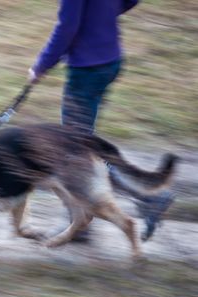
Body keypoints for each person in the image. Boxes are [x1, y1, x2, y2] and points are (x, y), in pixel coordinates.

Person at [28, 0, 173, 242]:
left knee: (74, 155)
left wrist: (42, 65)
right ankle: (85, 221)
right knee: (83, 149)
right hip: (109, 59)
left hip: (88, 68)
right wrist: (103, 15)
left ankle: (145, 199)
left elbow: (68, 25)